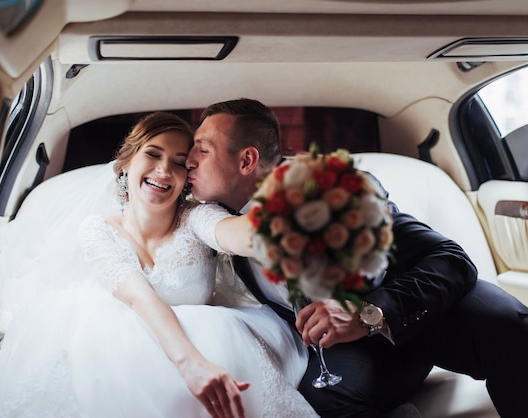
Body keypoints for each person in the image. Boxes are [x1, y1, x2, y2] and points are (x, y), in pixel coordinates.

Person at [186, 98, 528, 418]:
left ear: (247, 160)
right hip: (337, 348)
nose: (189, 160)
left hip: (413, 312)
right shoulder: (214, 219)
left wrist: (369, 314)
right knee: (323, 401)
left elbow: (451, 259)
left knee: (513, 329)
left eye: (202, 150)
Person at [0, 112, 317, 418]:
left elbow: (238, 235)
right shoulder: (97, 230)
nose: (164, 171)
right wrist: (193, 365)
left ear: (188, 178)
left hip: (210, 348)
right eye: (153, 155)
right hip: (121, 359)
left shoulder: (197, 217)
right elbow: (141, 298)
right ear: (126, 164)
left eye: (180, 162)